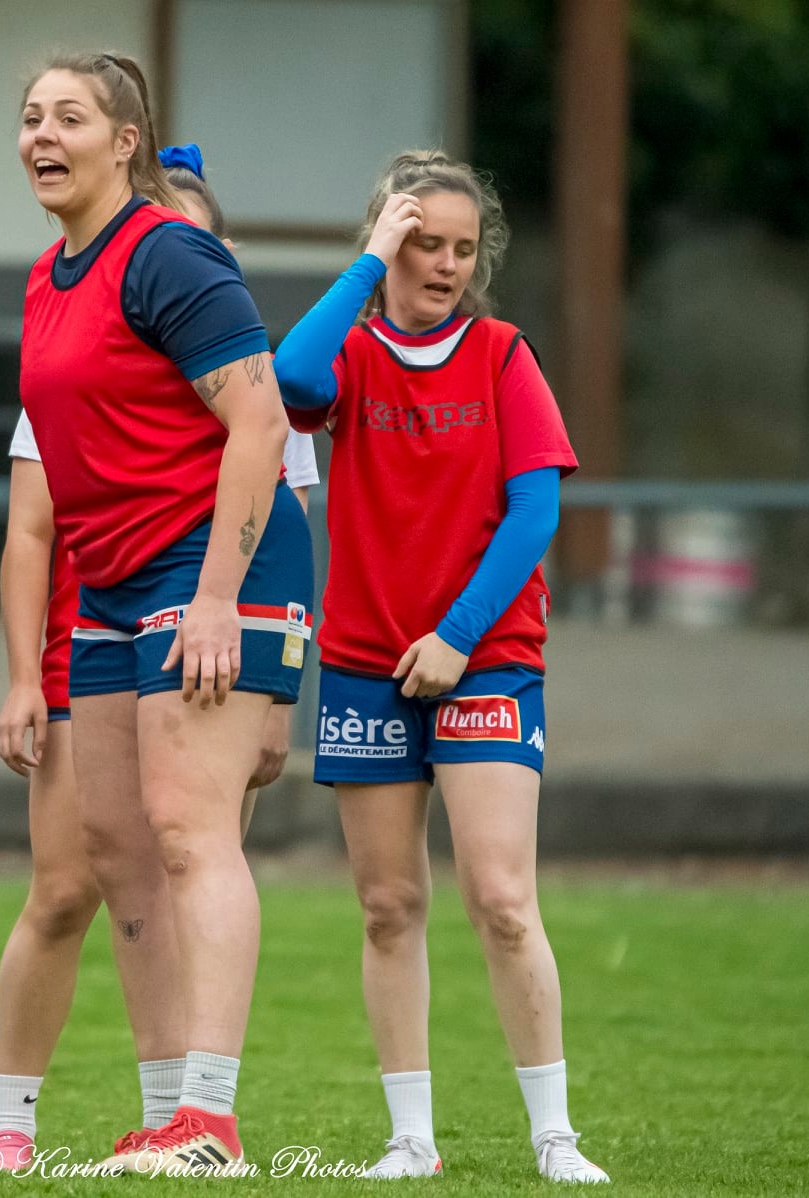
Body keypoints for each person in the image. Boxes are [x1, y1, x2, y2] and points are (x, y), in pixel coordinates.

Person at [272, 150, 608, 1183]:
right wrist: (368, 263)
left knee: (502, 897)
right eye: (427, 242)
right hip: (369, 662)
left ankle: (555, 1133)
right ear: (388, 241)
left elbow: (536, 511)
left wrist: (459, 636)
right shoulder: (354, 353)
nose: (449, 264)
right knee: (388, 906)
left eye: (465, 248)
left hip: (485, 659)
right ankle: (410, 1138)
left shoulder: (506, 356)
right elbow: (291, 379)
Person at [0, 150, 318, 1171]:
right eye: (31, 116)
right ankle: (169, 1111)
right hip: (116, 590)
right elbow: (34, 522)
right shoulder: (60, 283)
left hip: (202, 579)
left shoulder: (181, 278)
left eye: (68, 116)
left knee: (189, 836)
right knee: (119, 850)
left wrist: (228, 609)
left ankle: (210, 1121)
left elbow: (273, 456)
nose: (42, 133)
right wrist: (21, 676)